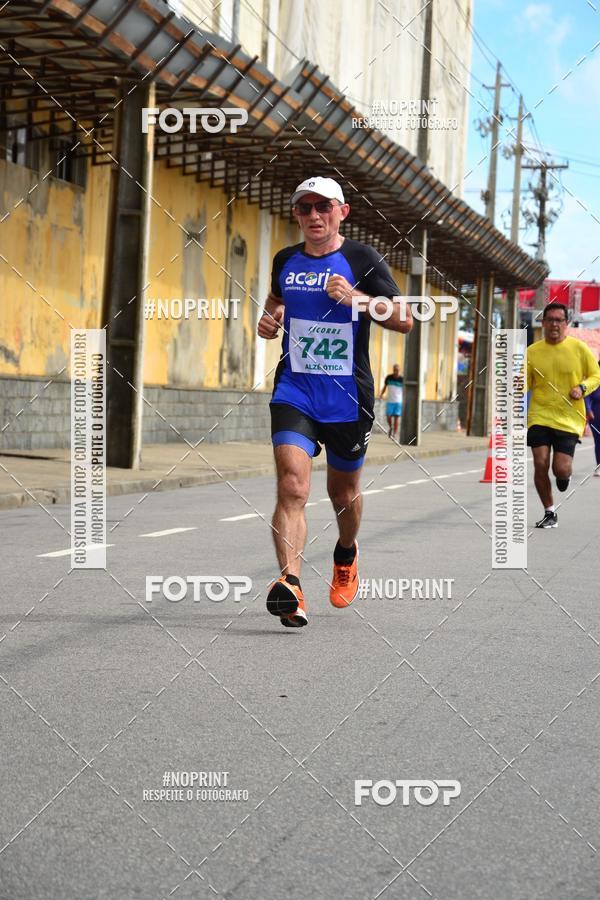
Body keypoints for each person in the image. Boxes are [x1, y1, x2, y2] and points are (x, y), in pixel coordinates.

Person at [257, 176, 412, 627]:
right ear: (297, 216)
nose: (313, 216)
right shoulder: (286, 259)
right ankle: (292, 586)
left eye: (323, 207)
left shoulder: (362, 259)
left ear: (342, 211)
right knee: (293, 486)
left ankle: (346, 551)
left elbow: (404, 320)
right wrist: (269, 320)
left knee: (342, 493)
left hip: (348, 397)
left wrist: (359, 300)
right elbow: (275, 301)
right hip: (295, 390)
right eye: (304, 209)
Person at [526, 302, 600, 527]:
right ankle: (550, 512)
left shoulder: (579, 349)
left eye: (559, 320)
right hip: (539, 415)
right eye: (550, 320)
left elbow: (596, 375)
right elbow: (523, 383)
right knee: (540, 463)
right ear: (543, 323)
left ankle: (563, 477)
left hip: (569, 418)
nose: (554, 324)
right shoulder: (533, 351)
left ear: (566, 324)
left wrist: (583, 388)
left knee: (561, 468)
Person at [584, 357, 600, 476]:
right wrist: (588, 410)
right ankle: (598, 465)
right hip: (596, 414)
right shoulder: (594, 380)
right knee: (598, 441)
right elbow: (587, 395)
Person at [380, 363, 404, 439]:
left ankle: (394, 433)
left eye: (397, 370)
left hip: (398, 401)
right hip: (390, 401)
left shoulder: (402, 379)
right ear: (393, 370)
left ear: (399, 371)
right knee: (388, 417)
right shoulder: (388, 378)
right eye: (394, 370)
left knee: (396, 417)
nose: (396, 372)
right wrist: (381, 394)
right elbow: (385, 387)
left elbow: (405, 390)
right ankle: (391, 427)